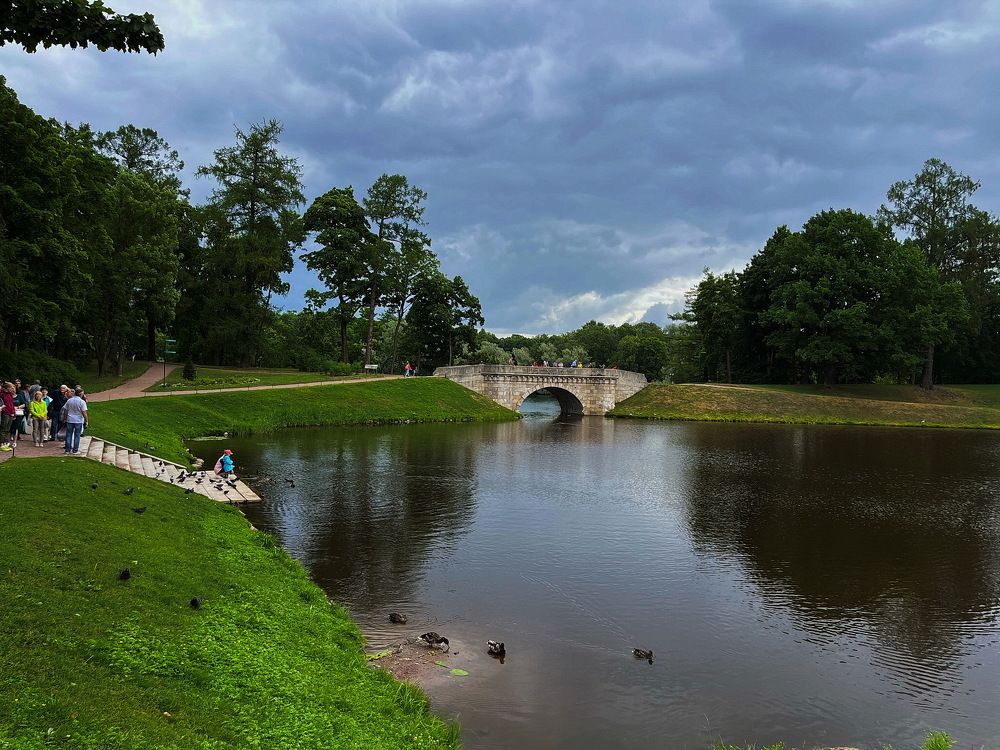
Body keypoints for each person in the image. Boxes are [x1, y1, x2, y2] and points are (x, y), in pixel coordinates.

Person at [61, 387, 88, 455]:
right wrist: (86, 421)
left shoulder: (69, 400)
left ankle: (67, 450)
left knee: (68, 435)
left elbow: (65, 410)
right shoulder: (82, 402)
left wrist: (65, 419)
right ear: (81, 394)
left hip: (70, 419)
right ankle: (75, 450)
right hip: (78, 420)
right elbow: (84, 412)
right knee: (77, 435)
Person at [0, 382, 15, 452]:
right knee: (3, 428)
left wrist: (13, 413)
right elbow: (3, 404)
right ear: (7, 388)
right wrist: (6, 410)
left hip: (11, 414)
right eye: (11, 387)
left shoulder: (10, 394)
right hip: (5, 414)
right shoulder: (2, 394)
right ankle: (1, 444)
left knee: (7, 429)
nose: (12, 389)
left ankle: (5, 443)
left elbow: (12, 404)